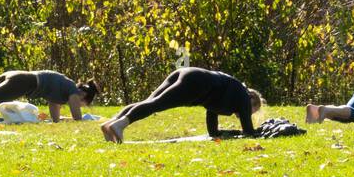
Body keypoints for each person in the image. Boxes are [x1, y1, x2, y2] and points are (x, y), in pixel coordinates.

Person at [100, 68, 262, 143]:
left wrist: (224, 132)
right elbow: (249, 132)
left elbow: (212, 128)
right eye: (252, 111)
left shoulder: (233, 93)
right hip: (197, 82)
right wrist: (261, 131)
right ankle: (120, 125)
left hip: (189, 72)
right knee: (156, 104)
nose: (248, 114)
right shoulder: (243, 98)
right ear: (251, 102)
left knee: (150, 102)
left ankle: (110, 124)